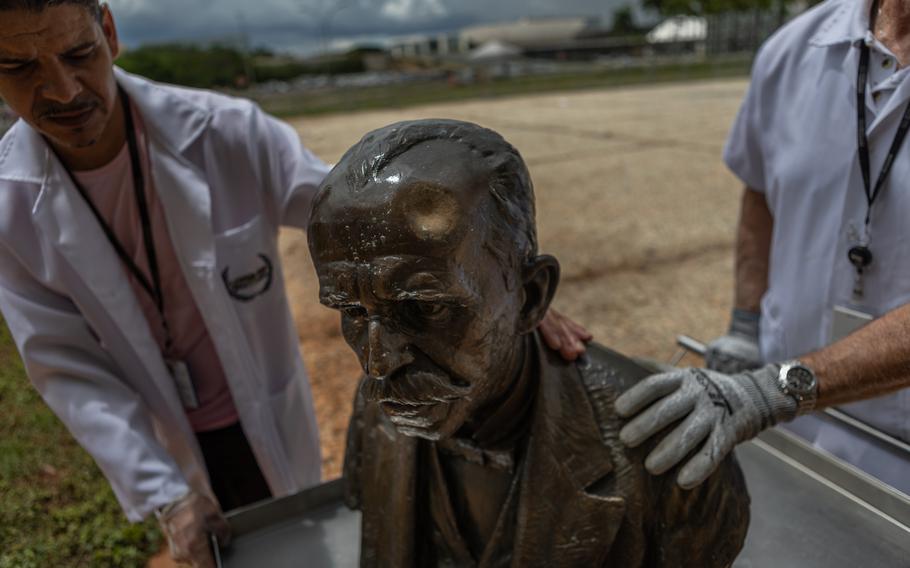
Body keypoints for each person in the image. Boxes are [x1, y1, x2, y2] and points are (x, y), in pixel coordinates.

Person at [0, 3, 589, 566]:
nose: (63, 89)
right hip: (159, 424)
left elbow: (358, 217)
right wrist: (164, 492)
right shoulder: (8, 205)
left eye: (79, 53)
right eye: (19, 67)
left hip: (263, 403)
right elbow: (69, 367)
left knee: (301, 539)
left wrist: (504, 289)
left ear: (109, 30)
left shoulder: (225, 133)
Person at [310, 119, 750, 568]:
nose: (378, 361)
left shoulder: (668, 460)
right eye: (353, 312)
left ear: (531, 296)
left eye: (425, 308)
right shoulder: (375, 414)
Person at [615, 0, 910, 494]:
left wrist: (772, 389)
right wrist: (745, 327)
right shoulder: (794, 50)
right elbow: (760, 192)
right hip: (786, 433)